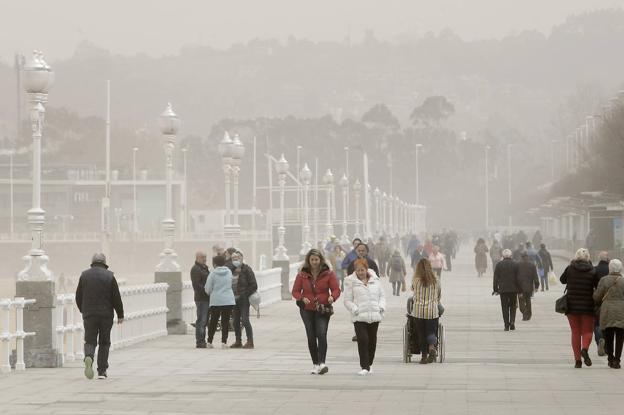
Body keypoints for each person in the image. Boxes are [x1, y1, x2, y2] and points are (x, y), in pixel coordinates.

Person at [292, 248, 341, 375]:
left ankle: (322, 363)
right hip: (306, 310)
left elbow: (336, 289)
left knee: (322, 334)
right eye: (312, 259)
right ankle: (315, 364)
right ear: (308, 260)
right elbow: (295, 291)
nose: (314, 262)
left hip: (322, 309)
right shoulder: (302, 274)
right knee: (311, 336)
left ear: (321, 260)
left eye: (316, 259)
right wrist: (302, 298)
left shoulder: (328, 273)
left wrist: (332, 297)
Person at [75, 253, 124, 380]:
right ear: (104, 262)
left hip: (89, 314)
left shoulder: (84, 275)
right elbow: (116, 297)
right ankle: (102, 371)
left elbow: (78, 296)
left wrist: (83, 310)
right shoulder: (110, 276)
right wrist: (120, 314)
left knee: (90, 340)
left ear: (93, 262)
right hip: (106, 315)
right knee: (104, 342)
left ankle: (89, 357)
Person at [343, 258, 386, 375]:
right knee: (363, 340)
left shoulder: (375, 280)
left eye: (362, 270)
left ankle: (369, 364)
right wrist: (355, 309)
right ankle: (364, 367)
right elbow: (347, 300)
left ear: (366, 269)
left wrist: (381, 307)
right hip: (359, 317)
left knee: (372, 341)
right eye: (358, 270)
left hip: (374, 315)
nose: (360, 272)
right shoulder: (350, 281)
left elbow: (382, 296)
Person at [560, 248, 599, 368]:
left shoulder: (570, 268)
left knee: (575, 332)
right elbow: (597, 286)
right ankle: (585, 349)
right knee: (587, 330)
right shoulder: (593, 270)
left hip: (571, 306)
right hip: (588, 305)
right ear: (588, 257)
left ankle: (577, 361)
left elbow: (562, 280)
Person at [593, 259, 624, 369]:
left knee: (609, 336)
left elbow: (597, 297)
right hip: (621, 311)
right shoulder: (623, 281)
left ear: (610, 268)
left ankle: (610, 359)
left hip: (607, 311)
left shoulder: (604, 280)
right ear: (620, 268)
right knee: (620, 337)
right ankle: (617, 360)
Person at [412, 258, 441, 364]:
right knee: (431, 332)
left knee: (421, 334)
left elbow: (413, 291)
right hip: (432, 311)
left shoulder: (415, 280)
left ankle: (424, 356)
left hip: (418, 311)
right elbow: (439, 295)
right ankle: (432, 347)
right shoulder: (436, 280)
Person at [204, 255, 236, 348]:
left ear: (214, 263)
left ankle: (209, 342)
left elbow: (208, 288)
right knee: (225, 322)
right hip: (228, 300)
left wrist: (210, 292)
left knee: (213, 321)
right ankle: (224, 342)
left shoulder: (213, 273)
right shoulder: (229, 272)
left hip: (216, 300)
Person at [229, 251, 257, 349]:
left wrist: (245, 294)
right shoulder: (230, 270)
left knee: (245, 320)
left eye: (238, 258)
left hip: (244, 299)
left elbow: (254, 285)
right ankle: (238, 341)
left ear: (242, 258)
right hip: (233, 299)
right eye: (233, 259)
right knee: (235, 321)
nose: (236, 260)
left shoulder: (247, 270)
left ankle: (250, 341)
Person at [493, 249, 519, 331]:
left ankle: (506, 325)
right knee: (513, 306)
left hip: (503, 290)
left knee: (504, 307)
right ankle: (512, 322)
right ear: (511, 256)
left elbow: (495, 278)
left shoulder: (499, 265)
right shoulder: (515, 264)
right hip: (513, 289)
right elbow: (519, 278)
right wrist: (520, 289)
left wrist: (495, 289)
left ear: (503, 256)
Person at [190, 251, 211, 348]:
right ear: (197, 258)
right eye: (203, 257)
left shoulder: (204, 268)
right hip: (201, 298)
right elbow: (197, 285)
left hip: (207, 298)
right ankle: (200, 341)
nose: (205, 259)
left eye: (205, 257)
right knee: (201, 320)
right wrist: (207, 291)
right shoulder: (195, 269)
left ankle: (203, 340)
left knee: (205, 320)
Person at [594, 251, 610, 356]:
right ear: (607, 259)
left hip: (598, 300)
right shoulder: (611, 269)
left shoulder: (594, 270)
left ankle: (599, 340)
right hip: (610, 300)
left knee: (597, 324)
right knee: (608, 324)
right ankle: (608, 347)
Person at [516, 253, 540, 321]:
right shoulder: (532, 265)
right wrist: (536, 286)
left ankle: (525, 313)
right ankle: (528, 315)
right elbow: (535, 276)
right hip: (529, 287)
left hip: (520, 287)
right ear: (527, 257)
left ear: (521, 257)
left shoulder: (517, 265)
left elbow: (515, 276)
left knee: (521, 301)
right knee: (528, 300)